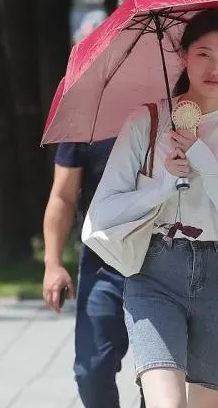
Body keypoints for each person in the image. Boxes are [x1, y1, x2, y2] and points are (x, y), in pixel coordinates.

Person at [87, 9, 218, 408]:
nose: (215, 68)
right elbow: (103, 210)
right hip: (155, 272)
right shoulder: (148, 122)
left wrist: (205, 164)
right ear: (183, 56)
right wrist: (163, 186)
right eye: (203, 54)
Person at [42, 137, 146, 408]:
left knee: (159, 377)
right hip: (104, 262)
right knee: (91, 370)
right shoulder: (88, 119)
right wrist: (53, 263)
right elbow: (63, 197)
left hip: (162, 263)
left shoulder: (178, 109)